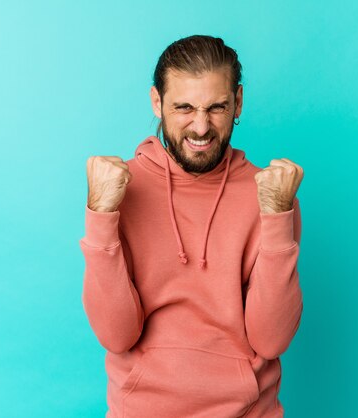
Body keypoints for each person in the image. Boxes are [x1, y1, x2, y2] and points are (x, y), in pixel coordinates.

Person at [79, 35, 304, 418]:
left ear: (238, 103)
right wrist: (100, 215)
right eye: (184, 107)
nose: (201, 128)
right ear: (157, 103)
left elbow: (271, 340)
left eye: (216, 107)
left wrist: (277, 217)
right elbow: (115, 336)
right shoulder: (118, 189)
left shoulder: (270, 194)